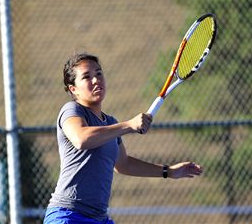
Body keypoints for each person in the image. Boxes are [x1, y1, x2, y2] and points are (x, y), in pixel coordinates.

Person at [43, 52, 203, 223]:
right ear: (73, 89)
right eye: (87, 77)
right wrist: (128, 125)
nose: (96, 80)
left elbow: (123, 164)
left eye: (98, 73)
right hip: (68, 215)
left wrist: (169, 171)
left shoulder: (110, 122)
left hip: (99, 218)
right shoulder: (72, 110)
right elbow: (81, 139)